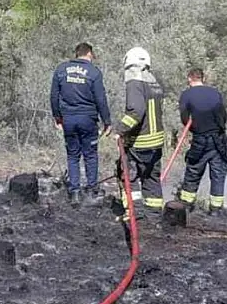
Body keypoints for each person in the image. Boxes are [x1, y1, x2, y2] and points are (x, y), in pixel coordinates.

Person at [50, 42, 112, 205]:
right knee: (90, 154)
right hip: (88, 119)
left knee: (72, 155)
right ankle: (92, 189)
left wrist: (57, 117)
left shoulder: (61, 69)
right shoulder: (93, 72)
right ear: (89, 54)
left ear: (76, 53)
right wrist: (107, 121)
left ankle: (75, 192)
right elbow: (100, 99)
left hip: (68, 119)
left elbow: (53, 96)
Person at [114, 47, 166, 213]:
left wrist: (120, 130)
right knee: (151, 177)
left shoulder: (135, 82)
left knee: (128, 174)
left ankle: (134, 212)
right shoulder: (154, 82)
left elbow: (136, 111)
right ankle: (154, 213)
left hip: (140, 140)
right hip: (156, 141)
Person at [176, 68, 227, 216]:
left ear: (189, 79)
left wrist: (195, 126)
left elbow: (184, 118)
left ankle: (186, 206)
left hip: (200, 140)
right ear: (203, 78)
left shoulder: (186, 95)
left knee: (193, 171)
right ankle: (216, 211)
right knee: (218, 174)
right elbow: (223, 116)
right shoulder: (215, 93)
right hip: (218, 140)